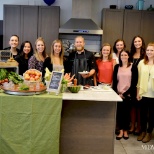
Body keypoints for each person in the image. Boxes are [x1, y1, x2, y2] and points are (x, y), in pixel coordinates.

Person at [112, 50, 138, 140]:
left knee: (127, 113)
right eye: (122, 55)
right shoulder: (116, 67)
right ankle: (121, 131)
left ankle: (126, 130)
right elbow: (115, 81)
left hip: (128, 95)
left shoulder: (133, 67)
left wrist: (125, 93)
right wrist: (117, 93)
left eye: (125, 55)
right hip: (118, 95)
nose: (123, 56)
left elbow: (134, 83)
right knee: (119, 113)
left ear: (128, 56)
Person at [137, 43, 154, 143]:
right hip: (143, 92)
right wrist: (138, 92)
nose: (149, 52)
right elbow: (138, 79)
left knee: (152, 115)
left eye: (152, 50)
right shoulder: (142, 63)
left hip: (153, 93)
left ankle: (149, 132)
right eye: (148, 50)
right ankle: (142, 131)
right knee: (143, 114)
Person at [129, 36, 146, 135]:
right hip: (131, 82)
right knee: (132, 106)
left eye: (139, 41)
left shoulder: (145, 55)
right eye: (135, 41)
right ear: (133, 43)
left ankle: (139, 127)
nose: (137, 43)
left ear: (142, 42)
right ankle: (132, 126)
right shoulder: (131, 54)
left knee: (139, 106)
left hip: (141, 83)